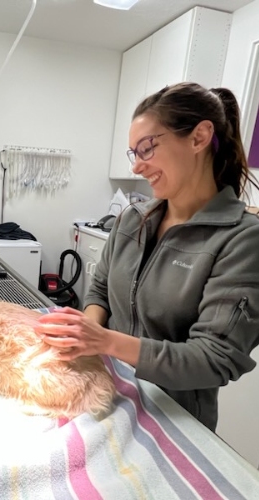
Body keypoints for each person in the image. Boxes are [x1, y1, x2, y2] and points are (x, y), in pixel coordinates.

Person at [36, 82, 259, 432]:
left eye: (147, 149)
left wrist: (107, 341)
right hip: (109, 397)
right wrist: (85, 335)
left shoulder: (241, 239)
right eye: (133, 154)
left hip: (174, 421)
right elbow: (99, 291)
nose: (137, 167)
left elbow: (214, 358)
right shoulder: (132, 219)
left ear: (199, 138)